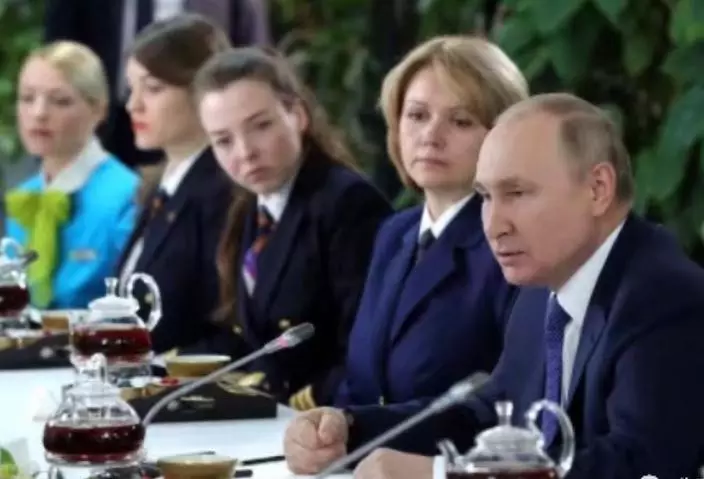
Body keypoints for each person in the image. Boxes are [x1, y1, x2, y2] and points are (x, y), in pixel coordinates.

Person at [283, 93, 704, 479]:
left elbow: (641, 465)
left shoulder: (663, 297)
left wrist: (445, 475)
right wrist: (352, 432)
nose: (494, 226)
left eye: (516, 193)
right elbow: (486, 416)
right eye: (485, 197)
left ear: (598, 189)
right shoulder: (544, 283)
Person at [193, 47, 393, 407]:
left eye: (261, 126)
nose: (245, 152)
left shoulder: (346, 203)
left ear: (298, 115)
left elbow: (363, 345)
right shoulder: (252, 206)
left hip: (326, 414)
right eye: (223, 141)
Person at [334, 37, 523, 417]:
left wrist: (358, 427)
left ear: (504, 136)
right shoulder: (394, 233)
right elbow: (360, 380)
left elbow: (507, 400)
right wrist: (327, 426)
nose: (431, 137)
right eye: (417, 116)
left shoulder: (513, 243)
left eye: (460, 121)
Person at [116, 14, 234, 354]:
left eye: (153, 89)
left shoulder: (223, 191)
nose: (133, 105)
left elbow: (223, 325)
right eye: (131, 88)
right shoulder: (162, 184)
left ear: (202, 93)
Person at [43, 0, 271, 168]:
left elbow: (251, 56)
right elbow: (61, 49)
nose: (135, 104)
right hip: (108, 128)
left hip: (204, 133)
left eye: (154, 87)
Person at [4, 41, 137, 310]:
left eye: (60, 101)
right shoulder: (25, 196)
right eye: (27, 98)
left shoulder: (127, 196)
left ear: (99, 109)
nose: (39, 113)